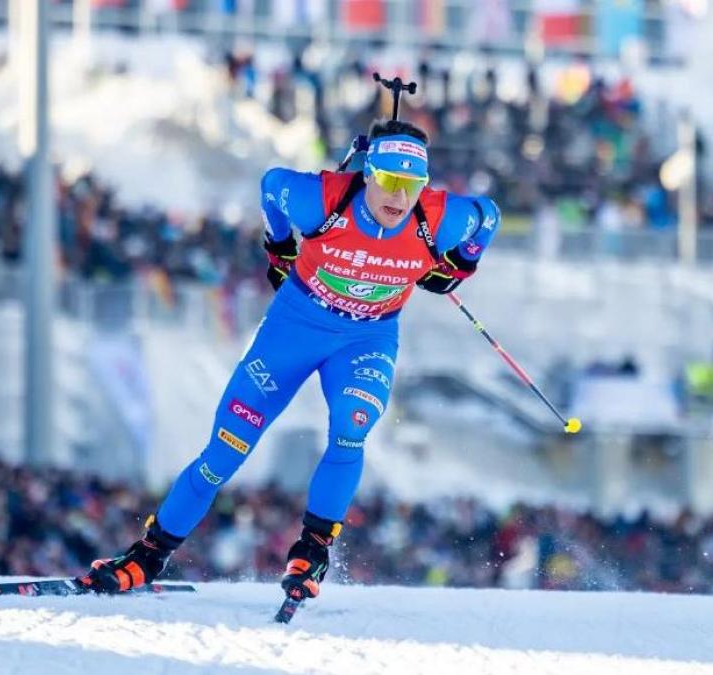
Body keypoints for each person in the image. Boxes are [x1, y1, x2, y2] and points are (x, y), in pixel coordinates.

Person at [78, 119, 502, 600]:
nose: (400, 197)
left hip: (366, 340)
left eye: (412, 184)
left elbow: (488, 216)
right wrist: (279, 246)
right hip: (294, 329)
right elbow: (272, 186)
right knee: (225, 451)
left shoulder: (437, 218)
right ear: (368, 173)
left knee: (352, 425)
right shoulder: (322, 200)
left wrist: (462, 264)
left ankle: (312, 550)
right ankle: (148, 555)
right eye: (389, 180)